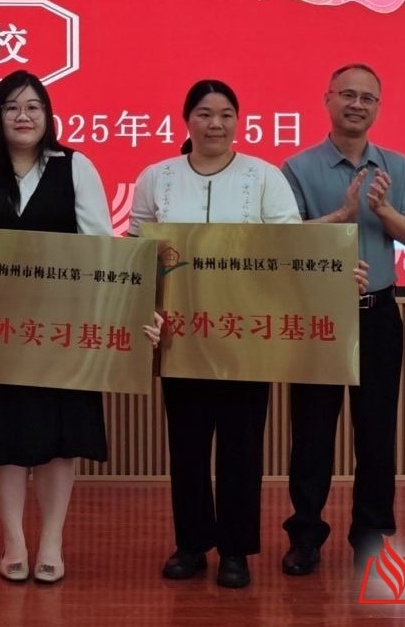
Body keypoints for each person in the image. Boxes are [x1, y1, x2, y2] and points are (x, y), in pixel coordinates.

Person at [0, 70, 112, 584]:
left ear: (48, 115)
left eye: (33, 106)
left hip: (61, 330)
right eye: (11, 107)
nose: (23, 116)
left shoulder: (75, 166)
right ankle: (13, 540)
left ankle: (52, 540)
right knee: (0, 433)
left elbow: (100, 247)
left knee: (58, 437)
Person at [129, 79, 301, 591]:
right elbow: (136, 252)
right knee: (186, 445)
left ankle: (235, 550)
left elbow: (289, 247)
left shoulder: (264, 176)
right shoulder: (156, 177)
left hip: (246, 335)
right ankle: (190, 544)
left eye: (226, 114)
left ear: (238, 121)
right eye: (204, 113)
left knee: (241, 448)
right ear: (187, 120)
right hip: (179, 335)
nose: (216, 124)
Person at [279, 63, 405, 575]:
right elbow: (286, 240)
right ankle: (305, 536)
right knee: (312, 433)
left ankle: (372, 537)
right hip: (319, 317)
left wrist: (381, 210)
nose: (357, 104)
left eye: (367, 98)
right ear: (328, 99)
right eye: (347, 95)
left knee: (377, 433)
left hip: (379, 314)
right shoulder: (297, 167)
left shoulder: (396, 165)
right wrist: (339, 218)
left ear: (377, 107)